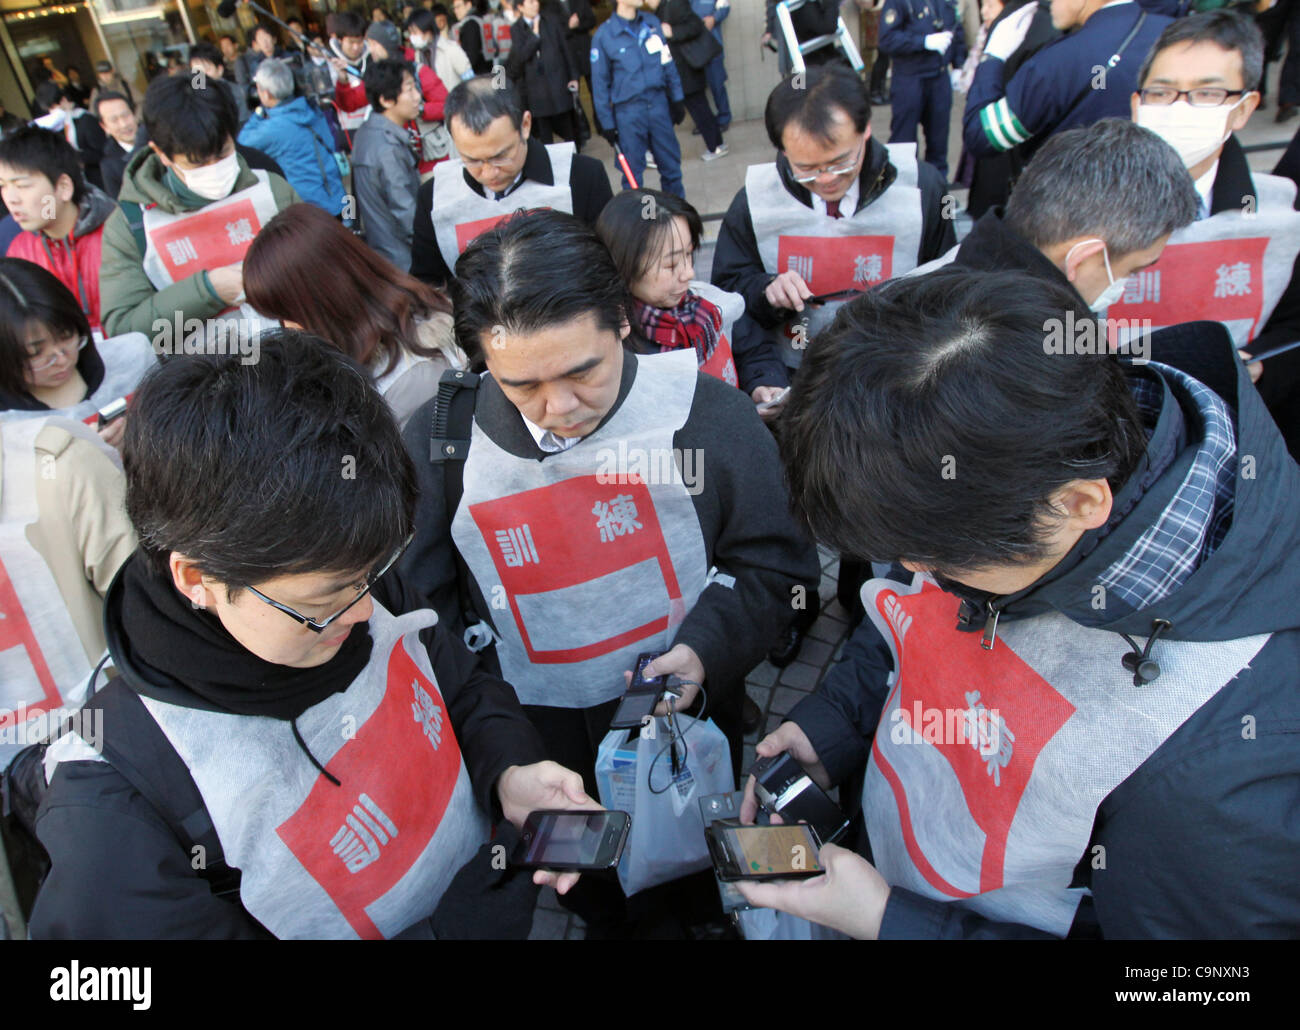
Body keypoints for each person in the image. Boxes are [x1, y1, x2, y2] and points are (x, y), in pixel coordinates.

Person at [742, 265, 1300, 939]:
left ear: (1079, 505)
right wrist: (831, 725)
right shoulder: (983, 479)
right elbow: (915, 618)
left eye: (931, 557)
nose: (914, 570)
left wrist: (895, 924)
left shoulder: (1215, 773)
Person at [28, 329, 595, 939]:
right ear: (199, 578)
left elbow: (459, 685)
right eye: (323, 603)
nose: (362, 614)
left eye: (372, 577)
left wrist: (509, 770)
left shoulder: (347, 578)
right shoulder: (117, 804)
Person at [396, 209, 820, 934]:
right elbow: (422, 612)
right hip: (542, 746)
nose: (558, 408)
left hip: (685, 723)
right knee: (598, 894)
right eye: (521, 384)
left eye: (582, 371)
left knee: (697, 867)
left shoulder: (704, 418)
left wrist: (705, 650)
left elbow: (775, 566)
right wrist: (501, 752)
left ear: (622, 320)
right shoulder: (442, 446)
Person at [1116, 10, 1300, 457]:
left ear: (1243, 108)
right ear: (1139, 104)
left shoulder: (1277, 217)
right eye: (1162, 92)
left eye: (1207, 93)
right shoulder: (1079, 200)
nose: (1180, 108)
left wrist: (1259, 367)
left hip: (1228, 437)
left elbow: (1292, 330)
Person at [711, 65, 955, 373]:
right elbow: (728, 294)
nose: (826, 179)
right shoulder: (756, 200)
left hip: (898, 372)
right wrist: (766, 291)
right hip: (797, 373)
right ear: (783, 150)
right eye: (807, 168)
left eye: (840, 162)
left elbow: (951, 285)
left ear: (865, 128)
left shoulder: (922, 188)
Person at [915, 119, 1199, 318]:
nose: (1123, 288)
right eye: (1132, 271)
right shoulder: (1048, 373)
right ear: (1080, 258)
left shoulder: (918, 288)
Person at [98, 71, 299, 341]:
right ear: (162, 154)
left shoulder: (271, 189)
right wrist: (209, 291)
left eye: (222, 153)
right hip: (205, 374)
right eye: (197, 162)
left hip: (295, 357)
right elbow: (124, 329)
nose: (214, 169)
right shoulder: (130, 225)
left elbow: (322, 264)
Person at [244, 202, 463, 427]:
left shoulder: (412, 378)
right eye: (277, 318)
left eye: (290, 314)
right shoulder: (347, 352)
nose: (287, 328)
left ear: (328, 298)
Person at [596, 188, 787, 415]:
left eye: (688, 255)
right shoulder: (614, 350)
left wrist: (761, 383)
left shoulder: (705, 305)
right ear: (624, 266)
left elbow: (754, 348)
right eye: (671, 265)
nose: (688, 273)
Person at [409, 75, 613, 285]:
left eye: (500, 156)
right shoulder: (435, 198)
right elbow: (427, 284)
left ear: (525, 125)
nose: (489, 173)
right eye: (472, 160)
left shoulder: (582, 177)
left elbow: (610, 266)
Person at [963, 0, 1169, 164]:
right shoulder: (1172, 34)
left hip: (1073, 205)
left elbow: (981, 136)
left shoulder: (1056, 61)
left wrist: (992, 58)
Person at [0, 258, 154, 442]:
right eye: (36, 353)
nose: (62, 359)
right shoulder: (8, 428)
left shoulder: (132, 355)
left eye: (66, 336)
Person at [0, 128, 118, 332]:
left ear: (63, 187)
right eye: (2, 186)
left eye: (22, 186)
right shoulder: (18, 253)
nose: (11, 199)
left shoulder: (118, 234)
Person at [591, 0, 686, 198]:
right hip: (629, 114)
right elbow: (600, 85)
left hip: (658, 105)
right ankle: (643, 224)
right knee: (633, 179)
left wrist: (677, 97)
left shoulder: (652, 24)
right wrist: (606, 123)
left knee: (672, 169)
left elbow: (667, 63)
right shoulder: (604, 36)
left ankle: (677, 221)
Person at [238, 59, 347, 218]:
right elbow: (329, 141)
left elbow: (242, 143)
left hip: (309, 210)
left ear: (266, 93)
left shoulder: (273, 129)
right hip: (337, 198)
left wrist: (259, 112)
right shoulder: (312, 109)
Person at [878, 0, 967, 179]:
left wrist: (958, 64)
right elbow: (887, 40)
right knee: (904, 143)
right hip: (909, 78)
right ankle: (904, 192)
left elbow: (956, 29)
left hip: (939, 78)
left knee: (939, 143)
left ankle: (941, 200)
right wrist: (922, 42)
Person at [353, 60, 423, 270]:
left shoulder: (366, 133)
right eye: (409, 89)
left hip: (382, 252)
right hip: (404, 260)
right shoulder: (387, 149)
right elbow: (407, 214)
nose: (417, 96)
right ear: (385, 100)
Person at [645, 0, 728, 161]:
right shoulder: (661, 11)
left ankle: (716, 146)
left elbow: (695, 25)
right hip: (676, 73)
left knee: (699, 109)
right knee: (670, 112)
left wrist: (672, 32)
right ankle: (652, 149)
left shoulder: (674, 5)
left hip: (686, 70)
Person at [507, 0, 580, 144]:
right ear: (520, 7)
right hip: (536, 87)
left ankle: (574, 156)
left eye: (536, 1)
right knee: (544, 131)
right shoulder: (516, 29)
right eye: (530, 2)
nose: (535, 4)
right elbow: (521, 56)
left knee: (567, 126)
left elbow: (566, 50)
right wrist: (534, 37)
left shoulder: (551, 20)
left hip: (557, 80)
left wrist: (574, 76)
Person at [32, 81, 106, 193]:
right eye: (50, 109)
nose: (54, 112)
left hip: (97, 180)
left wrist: (74, 156)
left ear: (64, 100)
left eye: (56, 106)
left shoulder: (84, 119)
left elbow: (102, 151)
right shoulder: (50, 127)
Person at [329, 10, 375, 141]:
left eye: (359, 42)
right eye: (350, 42)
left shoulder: (372, 57)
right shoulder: (330, 64)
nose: (356, 47)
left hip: (374, 126)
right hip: (347, 132)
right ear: (339, 40)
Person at [407, 7, 474, 94]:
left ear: (427, 30)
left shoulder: (450, 49)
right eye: (410, 33)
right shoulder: (418, 54)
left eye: (415, 32)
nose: (412, 37)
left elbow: (470, 81)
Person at [189, 40, 252, 128]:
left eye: (207, 70)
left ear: (220, 70)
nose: (202, 77)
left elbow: (243, 127)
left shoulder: (235, 93)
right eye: (197, 72)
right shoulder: (189, 97)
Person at [688, 0, 730, 130]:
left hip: (712, 46)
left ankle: (724, 118)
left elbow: (725, 7)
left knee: (717, 85)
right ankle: (704, 124)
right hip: (691, 49)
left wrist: (714, 18)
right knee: (696, 88)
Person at [94, 91, 139, 199]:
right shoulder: (109, 165)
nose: (124, 124)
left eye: (126, 115)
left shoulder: (157, 137)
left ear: (134, 114)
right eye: (114, 120)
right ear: (104, 127)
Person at [452, 0, 494, 74]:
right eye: (454, 8)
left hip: (477, 74)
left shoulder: (470, 24)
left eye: (458, 7)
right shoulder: (482, 20)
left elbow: (472, 56)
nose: (455, 11)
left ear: (468, 5)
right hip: (489, 69)